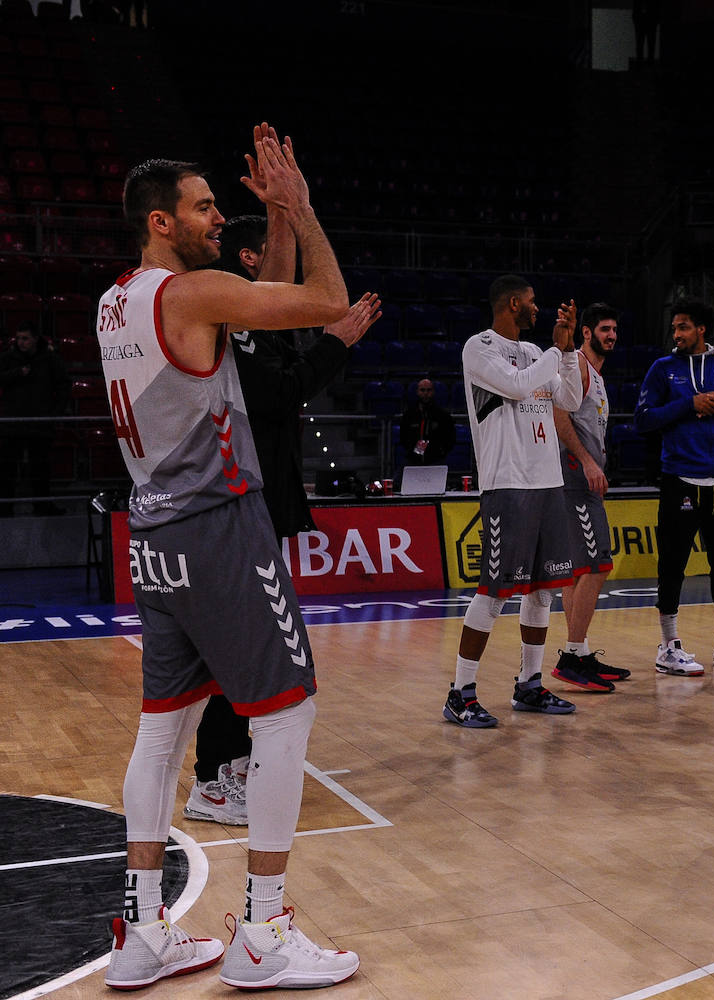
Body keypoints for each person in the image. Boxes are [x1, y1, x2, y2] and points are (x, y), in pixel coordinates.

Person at [97, 125, 359, 990]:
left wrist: (272, 227)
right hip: (218, 527)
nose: (219, 218)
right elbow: (324, 298)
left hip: (155, 536)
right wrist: (302, 207)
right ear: (162, 222)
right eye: (205, 207)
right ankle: (264, 931)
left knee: (162, 729)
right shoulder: (192, 295)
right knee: (285, 713)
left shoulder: (121, 301)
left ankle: (142, 932)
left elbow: (258, 299)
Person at [183, 213, 381, 827]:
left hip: (259, 499)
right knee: (238, 648)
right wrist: (338, 340)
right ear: (249, 260)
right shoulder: (231, 326)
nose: (290, 274)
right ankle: (213, 779)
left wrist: (285, 212)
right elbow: (282, 392)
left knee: (251, 646)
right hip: (231, 501)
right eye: (274, 255)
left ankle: (232, 764)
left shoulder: (255, 326)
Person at [441, 274, 583, 728]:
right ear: (514, 304)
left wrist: (569, 350)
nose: (539, 309)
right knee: (496, 592)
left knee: (543, 590)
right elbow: (520, 386)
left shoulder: (535, 353)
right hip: (507, 483)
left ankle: (530, 684)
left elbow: (573, 399)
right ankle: (460, 693)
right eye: (533, 302)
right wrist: (554, 351)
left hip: (548, 482)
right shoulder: (478, 347)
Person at [634, 297, 714, 675]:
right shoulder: (662, 369)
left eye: (684, 327)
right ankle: (668, 645)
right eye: (675, 328)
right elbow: (644, 420)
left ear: (701, 329)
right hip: (679, 478)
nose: (677, 334)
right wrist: (690, 403)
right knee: (673, 565)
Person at [550, 302, 632, 692]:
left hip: (582, 478)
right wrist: (586, 461)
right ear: (586, 332)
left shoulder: (596, 375)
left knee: (579, 571)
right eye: (604, 329)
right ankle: (570, 656)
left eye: (614, 329)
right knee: (598, 566)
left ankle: (579, 652)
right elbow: (558, 414)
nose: (611, 335)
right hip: (573, 478)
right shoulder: (579, 366)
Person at [0, 322, 70, 515]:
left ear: (35, 339)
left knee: (40, 468)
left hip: (40, 424)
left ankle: (42, 506)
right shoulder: (8, 358)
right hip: (12, 424)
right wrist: (16, 373)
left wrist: (55, 414)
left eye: (25, 338)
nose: (21, 342)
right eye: (19, 338)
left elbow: (64, 386)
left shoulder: (50, 360)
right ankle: (5, 508)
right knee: (7, 469)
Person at [399, 377, 456, 467]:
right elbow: (403, 437)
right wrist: (413, 450)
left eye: (429, 390)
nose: (426, 393)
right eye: (422, 390)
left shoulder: (442, 415)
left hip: (436, 459)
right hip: (413, 459)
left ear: (433, 392)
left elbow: (450, 438)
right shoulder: (409, 415)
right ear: (417, 392)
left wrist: (440, 451)